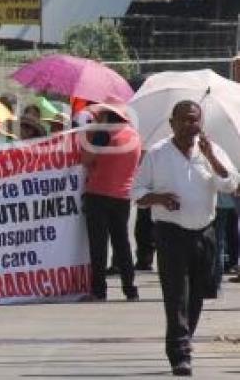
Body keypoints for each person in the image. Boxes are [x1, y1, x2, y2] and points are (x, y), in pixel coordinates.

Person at [134, 100, 239, 376]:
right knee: (175, 295)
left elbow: (230, 183)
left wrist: (212, 157)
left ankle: (185, 338)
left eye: (195, 120)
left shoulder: (210, 150)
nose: (190, 125)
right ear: (172, 123)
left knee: (197, 295)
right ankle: (180, 353)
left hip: (204, 232)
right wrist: (159, 197)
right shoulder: (157, 154)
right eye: (184, 120)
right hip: (170, 234)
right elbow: (137, 191)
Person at [81, 101, 142, 302]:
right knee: (122, 243)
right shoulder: (133, 135)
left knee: (98, 245)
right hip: (122, 196)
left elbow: (87, 159)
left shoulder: (103, 134)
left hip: (98, 193)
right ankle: (130, 288)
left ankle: (99, 290)